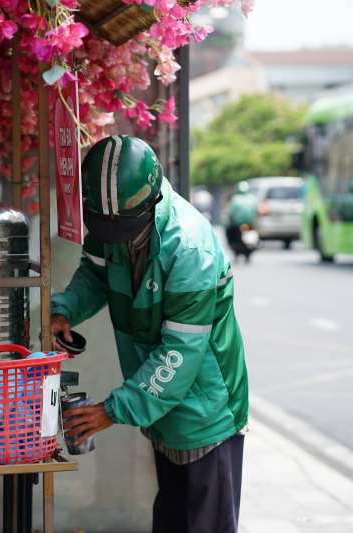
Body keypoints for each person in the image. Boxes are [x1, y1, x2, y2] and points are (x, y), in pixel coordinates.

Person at [51, 136, 249, 533]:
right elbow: (95, 272)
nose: (113, 238)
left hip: (205, 410)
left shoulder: (190, 250)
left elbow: (180, 353)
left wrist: (113, 410)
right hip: (161, 404)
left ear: (151, 202)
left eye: (121, 228)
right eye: (104, 228)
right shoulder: (112, 222)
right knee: (171, 519)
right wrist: (65, 309)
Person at [224, 181, 258, 262]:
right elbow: (256, 211)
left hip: (237, 224)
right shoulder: (253, 198)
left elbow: (231, 212)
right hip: (249, 224)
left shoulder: (235, 198)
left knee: (228, 231)